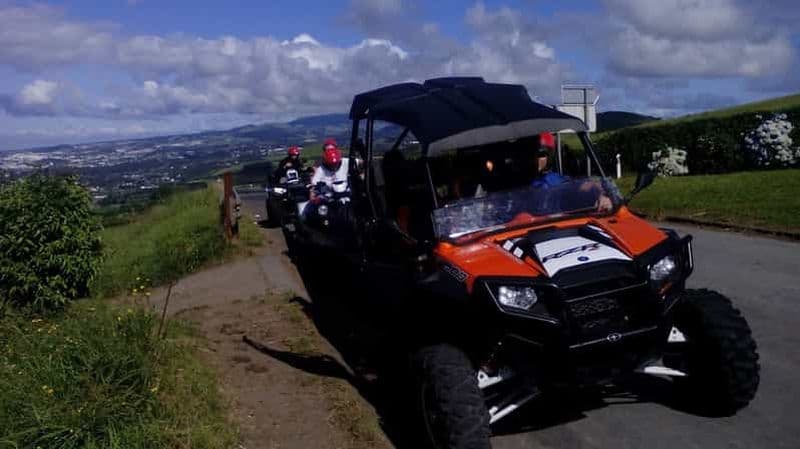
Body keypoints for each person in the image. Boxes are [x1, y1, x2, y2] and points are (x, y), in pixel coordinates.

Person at [530, 132, 613, 212]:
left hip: (558, 223)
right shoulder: (518, 182)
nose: (534, 158)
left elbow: (587, 184)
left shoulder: (555, 179)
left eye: (541, 154)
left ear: (549, 156)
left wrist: (601, 195)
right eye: (529, 153)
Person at [309, 139, 349, 204]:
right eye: (327, 150)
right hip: (329, 197)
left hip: (346, 194)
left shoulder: (345, 161)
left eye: (332, 149)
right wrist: (313, 194)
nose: (330, 152)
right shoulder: (321, 167)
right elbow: (314, 183)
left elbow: (360, 163)